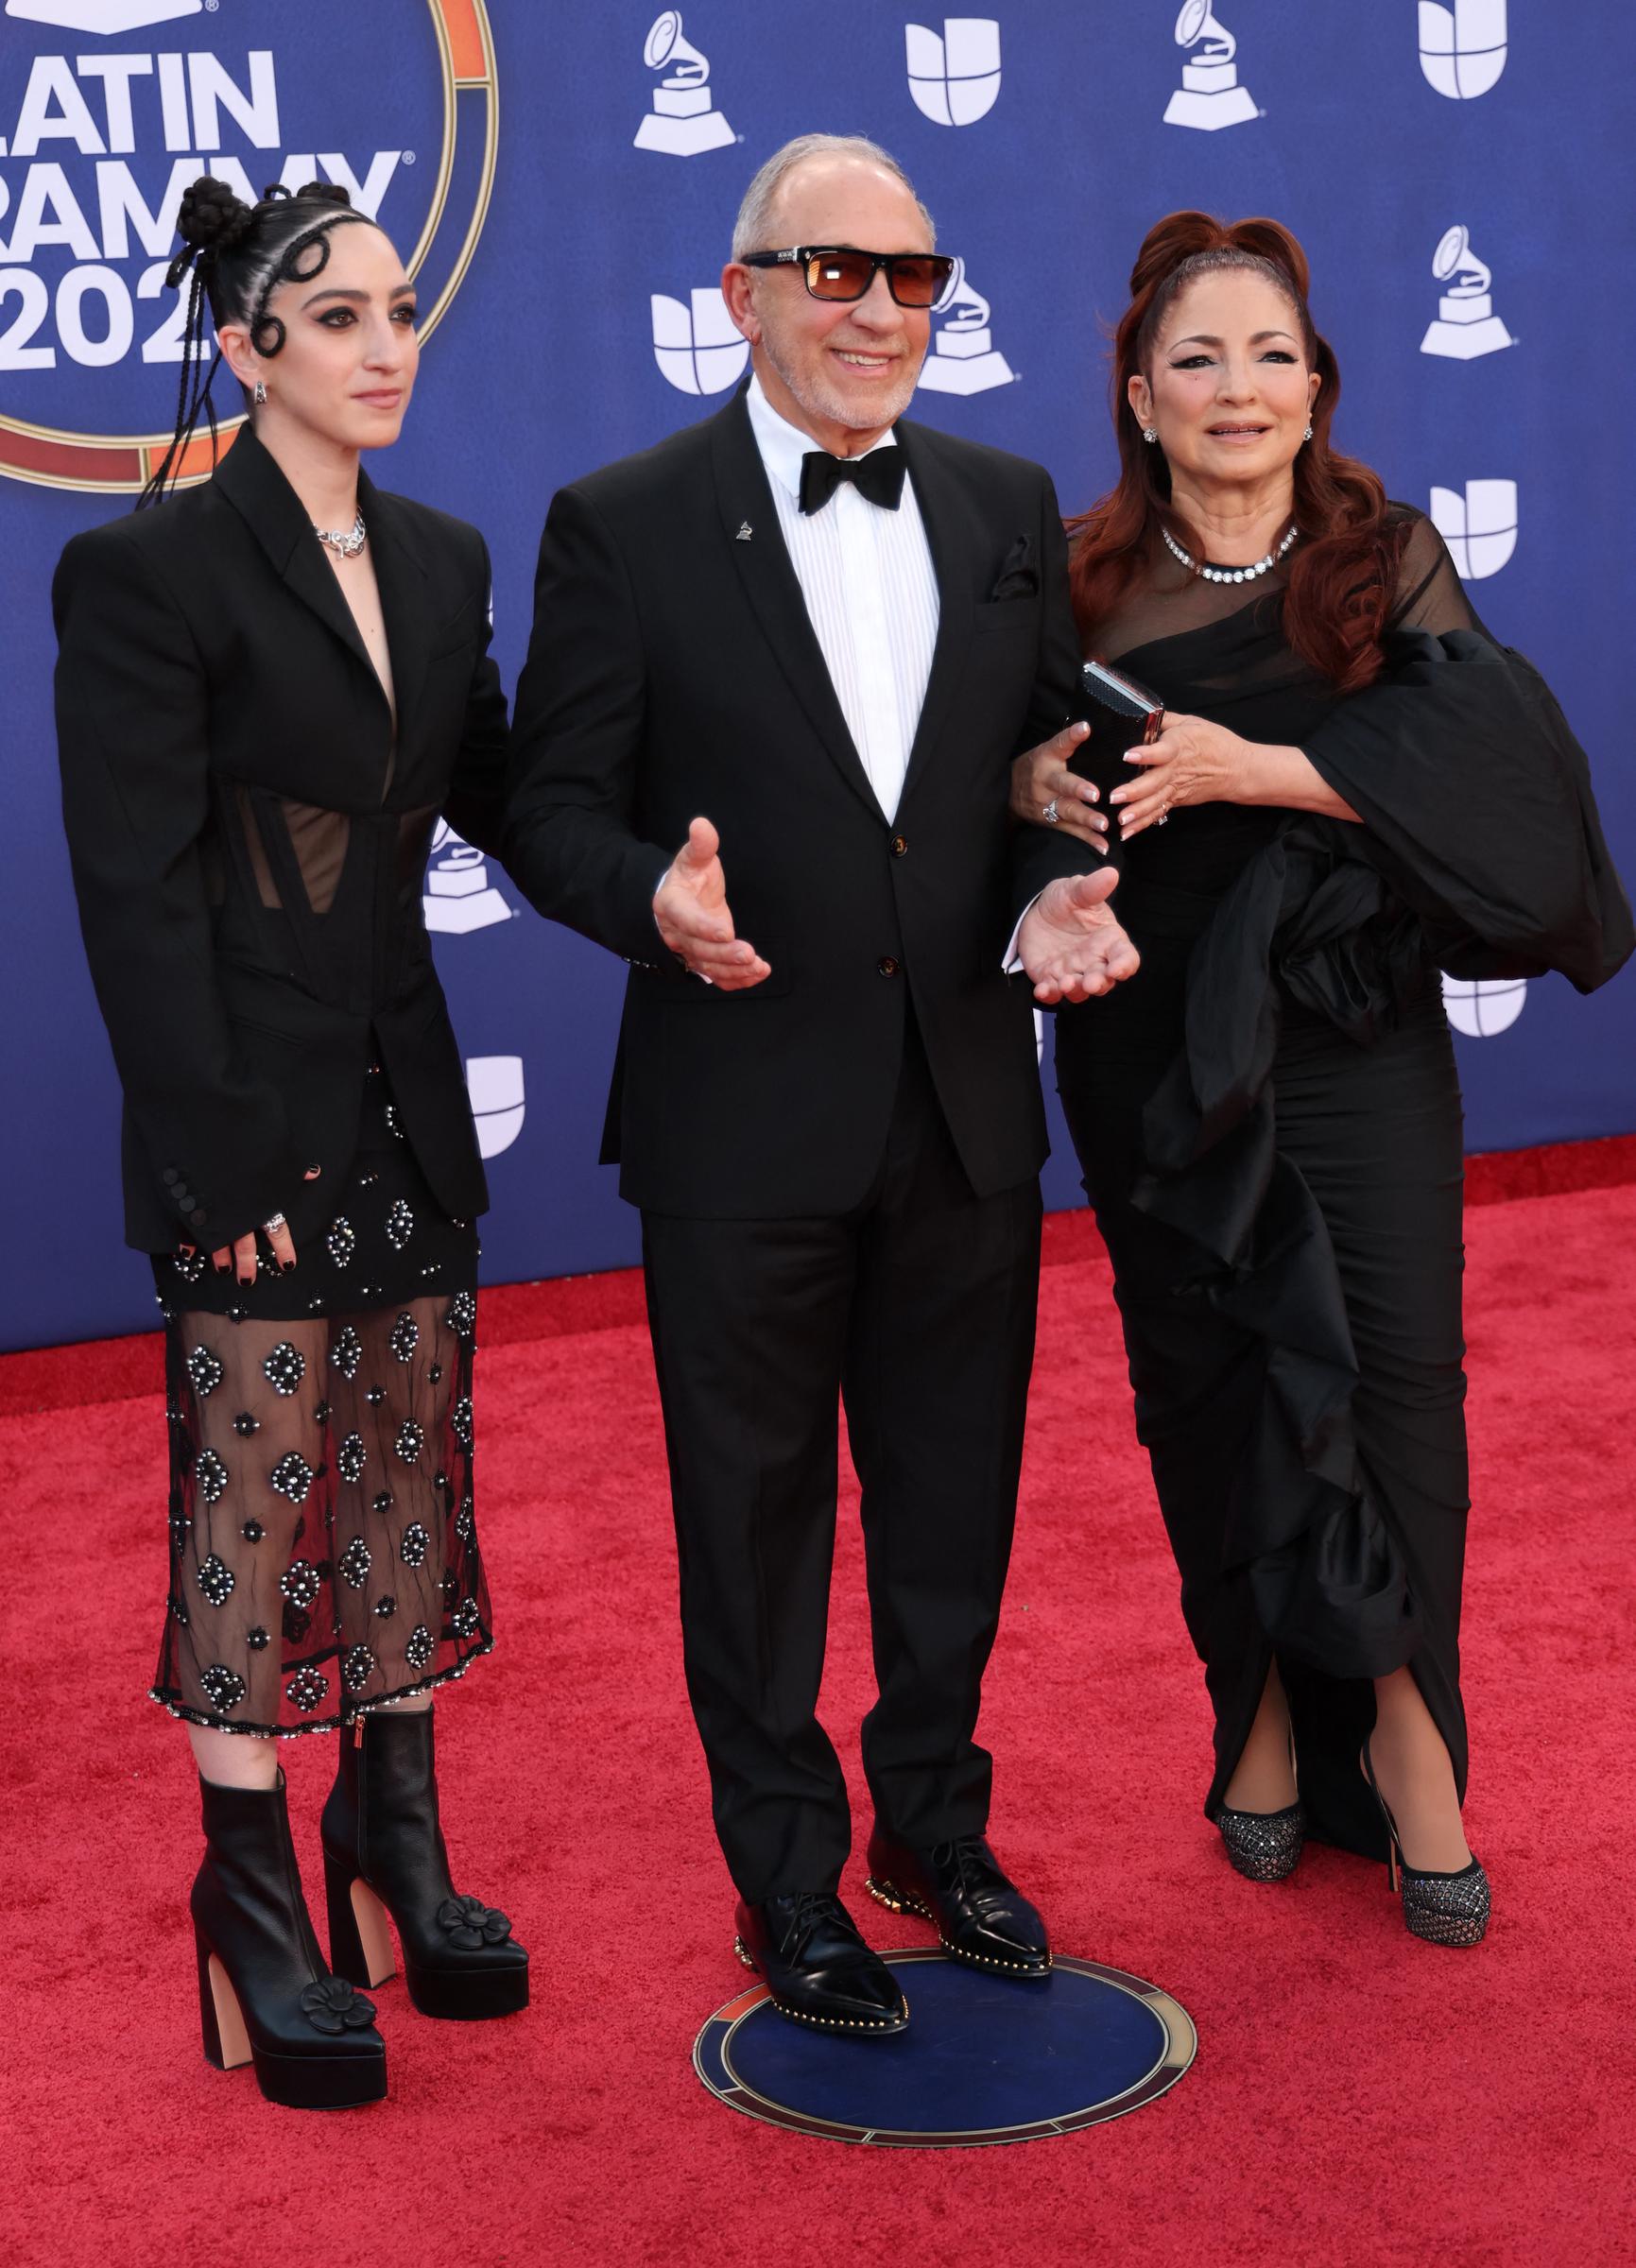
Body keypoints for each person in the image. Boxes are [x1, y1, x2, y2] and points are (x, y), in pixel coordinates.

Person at [504, 134, 1137, 2034]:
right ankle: (783, 1879)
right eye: (833, 272)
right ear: (743, 294)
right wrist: (648, 902)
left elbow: (1040, 780)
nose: (877, 309)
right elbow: (546, 804)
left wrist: (1056, 893)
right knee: (754, 1521)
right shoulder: (618, 519)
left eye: (911, 276)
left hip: (958, 1096)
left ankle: (928, 1829)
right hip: (735, 1108)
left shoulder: (1007, 501)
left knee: (952, 1500)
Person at [1014, 211, 1630, 1947]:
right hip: (1149, 1053)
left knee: (1394, 1384)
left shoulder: (1384, 558)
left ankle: (1415, 1740)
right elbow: (993, 785)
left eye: (1271, 355)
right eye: (1196, 358)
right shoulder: (1066, 577)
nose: (1237, 387)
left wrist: (1263, 767)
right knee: (1210, 1390)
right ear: (1138, 395)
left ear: (1319, 389)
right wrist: (1031, 801)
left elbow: (1505, 786)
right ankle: (1267, 1715)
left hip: (1353, 1038)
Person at [53, 178, 528, 2109]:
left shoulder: (440, 552)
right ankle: (252, 1895)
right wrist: (217, 1160)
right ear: (249, 352)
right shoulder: (150, 575)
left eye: (398, 306)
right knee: (260, 1508)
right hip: (247, 1131)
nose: (384, 342)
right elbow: (134, 894)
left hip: (403, 1102)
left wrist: (673, 849)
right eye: (335, 316)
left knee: (405, 1482)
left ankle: (393, 1841)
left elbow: (505, 787)